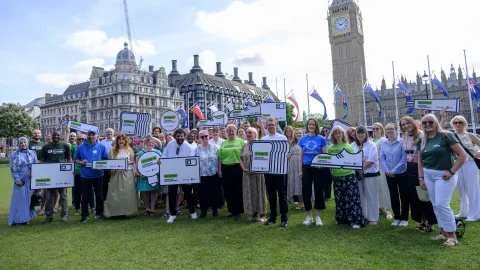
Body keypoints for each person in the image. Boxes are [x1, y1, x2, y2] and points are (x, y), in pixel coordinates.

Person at [418, 114, 466, 246]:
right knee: (435, 204)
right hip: (428, 175)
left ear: (436, 122)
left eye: (430, 122)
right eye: (424, 122)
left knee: (441, 204)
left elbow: (462, 155)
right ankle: (443, 232)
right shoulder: (422, 140)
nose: (427, 124)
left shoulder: (446, 136)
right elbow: (420, 161)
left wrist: (451, 171)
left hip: (444, 174)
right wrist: (421, 178)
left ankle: (452, 236)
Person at [400, 116, 437, 232]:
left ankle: (430, 223)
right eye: (403, 125)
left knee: (424, 197)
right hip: (410, 169)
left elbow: (426, 153)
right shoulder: (405, 137)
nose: (406, 126)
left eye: (407, 123)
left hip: (421, 168)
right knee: (415, 198)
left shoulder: (422, 135)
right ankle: (423, 221)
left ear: (412, 123)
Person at [328, 126, 364, 228]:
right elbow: (330, 163)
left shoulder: (348, 146)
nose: (338, 135)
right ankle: (341, 219)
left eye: (340, 133)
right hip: (337, 176)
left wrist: (359, 170)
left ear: (343, 134)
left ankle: (355, 221)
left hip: (349, 175)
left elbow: (354, 161)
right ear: (333, 136)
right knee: (340, 199)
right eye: (336, 133)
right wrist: (332, 173)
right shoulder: (330, 148)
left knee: (351, 198)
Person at [162, 129, 197, 223]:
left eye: (181, 136)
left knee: (188, 194)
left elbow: (191, 161)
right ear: (175, 136)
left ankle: (192, 212)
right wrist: (160, 160)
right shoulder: (170, 145)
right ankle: (172, 215)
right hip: (172, 174)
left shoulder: (188, 147)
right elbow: (164, 156)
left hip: (185, 174)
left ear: (184, 136)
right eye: (178, 136)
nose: (180, 138)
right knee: (172, 194)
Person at [298, 119, 328, 226]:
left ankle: (318, 217)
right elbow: (301, 156)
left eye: (313, 124)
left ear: (316, 126)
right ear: (307, 126)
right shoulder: (302, 139)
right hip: (306, 167)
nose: (311, 126)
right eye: (310, 124)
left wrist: (322, 165)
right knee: (306, 191)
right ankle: (309, 216)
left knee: (319, 191)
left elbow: (325, 155)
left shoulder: (321, 139)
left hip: (319, 168)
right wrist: (300, 170)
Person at [74, 129, 109, 222]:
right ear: (87, 135)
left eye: (93, 135)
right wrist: (81, 162)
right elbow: (76, 159)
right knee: (85, 196)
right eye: (89, 135)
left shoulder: (101, 146)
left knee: (100, 196)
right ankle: (85, 215)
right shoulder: (81, 147)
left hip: (98, 174)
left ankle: (99, 213)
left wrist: (101, 166)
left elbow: (106, 160)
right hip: (85, 175)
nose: (91, 137)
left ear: (97, 135)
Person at [450, 115, 480, 221]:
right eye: (455, 122)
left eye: (460, 122)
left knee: (472, 189)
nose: (458, 124)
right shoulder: (451, 136)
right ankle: (464, 212)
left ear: (464, 124)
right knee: (461, 189)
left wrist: (478, 152)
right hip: (457, 165)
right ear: (452, 124)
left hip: (470, 164)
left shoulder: (470, 135)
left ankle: (475, 214)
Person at [380, 123, 409, 227]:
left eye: (391, 129)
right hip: (389, 174)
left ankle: (404, 218)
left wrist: (394, 170)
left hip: (401, 173)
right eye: (387, 129)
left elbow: (404, 158)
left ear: (396, 130)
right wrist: (387, 170)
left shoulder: (402, 142)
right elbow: (382, 157)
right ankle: (397, 217)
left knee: (404, 196)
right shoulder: (384, 143)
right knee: (393, 196)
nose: (390, 131)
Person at [262, 118, 289, 228]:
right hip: (268, 171)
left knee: (282, 195)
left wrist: (288, 155)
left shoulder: (282, 137)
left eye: (272, 124)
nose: (271, 126)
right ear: (266, 126)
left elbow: (287, 152)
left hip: (280, 171)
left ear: (276, 125)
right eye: (269, 125)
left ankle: (284, 219)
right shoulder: (264, 139)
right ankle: (272, 218)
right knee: (271, 196)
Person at [40, 131, 71, 224]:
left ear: (60, 136)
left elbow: (69, 158)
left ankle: (64, 215)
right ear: (51, 137)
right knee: (49, 196)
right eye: (54, 135)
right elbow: (42, 160)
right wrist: (39, 171)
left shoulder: (65, 146)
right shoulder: (46, 147)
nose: (56, 136)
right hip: (50, 175)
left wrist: (70, 170)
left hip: (62, 174)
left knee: (64, 196)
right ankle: (49, 216)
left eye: (58, 135)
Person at [104, 133, 138, 218]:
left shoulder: (129, 150)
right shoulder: (112, 150)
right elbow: (109, 162)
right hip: (115, 173)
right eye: (119, 139)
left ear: (125, 141)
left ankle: (124, 212)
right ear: (117, 140)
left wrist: (124, 163)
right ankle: (114, 212)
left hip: (126, 173)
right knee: (114, 193)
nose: (121, 141)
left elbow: (132, 161)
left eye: (123, 139)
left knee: (125, 193)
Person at [352, 126, 380, 225]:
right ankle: (363, 215)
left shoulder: (371, 145)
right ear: (355, 134)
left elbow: (372, 159)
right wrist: (358, 169)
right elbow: (350, 159)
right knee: (360, 195)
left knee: (371, 196)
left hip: (370, 173)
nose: (360, 135)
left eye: (362, 133)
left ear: (366, 134)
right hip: (357, 174)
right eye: (358, 133)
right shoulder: (353, 145)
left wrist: (362, 168)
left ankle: (373, 218)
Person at [240, 127, 267, 222]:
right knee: (250, 192)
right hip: (247, 173)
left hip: (258, 173)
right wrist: (244, 168)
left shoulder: (260, 144)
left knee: (259, 192)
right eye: (247, 132)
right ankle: (253, 213)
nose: (248, 134)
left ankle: (262, 214)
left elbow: (264, 157)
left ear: (255, 134)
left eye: (250, 132)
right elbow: (240, 158)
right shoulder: (244, 145)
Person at [8, 137, 37, 226]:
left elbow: (36, 165)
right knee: (19, 200)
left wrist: (34, 173)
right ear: (18, 144)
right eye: (21, 142)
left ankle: (26, 218)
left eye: (25, 142)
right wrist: (17, 180)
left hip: (30, 180)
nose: (23, 144)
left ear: (27, 143)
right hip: (20, 181)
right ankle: (18, 219)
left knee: (28, 199)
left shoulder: (32, 153)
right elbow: (13, 169)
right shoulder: (13, 155)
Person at [218, 125, 245, 220]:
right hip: (226, 168)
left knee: (237, 190)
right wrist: (220, 170)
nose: (230, 132)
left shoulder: (241, 141)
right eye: (228, 131)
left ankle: (238, 211)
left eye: (232, 131)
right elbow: (220, 158)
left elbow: (244, 155)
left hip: (237, 168)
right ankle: (231, 210)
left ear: (235, 131)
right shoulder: (223, 143)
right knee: (227, 191)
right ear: (226, 132)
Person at [195, 130, 220, 218]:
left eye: (206, 136)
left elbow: (219, 159)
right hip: (202, 175)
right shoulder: (197, 149)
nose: (205, 138)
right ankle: (203, 211)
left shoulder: (215, 147)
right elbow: (195, 162)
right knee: (203, 194)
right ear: (199, 138)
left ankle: (215, 210)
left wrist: (219, 171)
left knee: (214, 193)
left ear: (209, 136)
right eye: (202, 137)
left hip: (213, 173)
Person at [135, 137, 161, 216]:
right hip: (143, 176)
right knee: (144, 192)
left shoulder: (158, 152)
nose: (151, 144)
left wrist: (155, 172)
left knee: (154, 192)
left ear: (155, 144)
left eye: (153, 142)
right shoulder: (140, 153)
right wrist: (140, 173)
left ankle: (152, 208)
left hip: (154, 175)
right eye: (149, 142)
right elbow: (137, 164)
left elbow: (161, 163)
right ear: (146, 143)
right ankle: (147, 208)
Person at [371, 122, 392, 220]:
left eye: (377, 128)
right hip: (373, 167)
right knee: (376, 188)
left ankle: (388, 209)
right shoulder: (372, 140)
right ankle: (380, 207)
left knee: (384, 187)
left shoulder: (383, 140)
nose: (375, 130)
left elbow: (385, 154)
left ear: (381, 129)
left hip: (381, 167)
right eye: (373, 129)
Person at [72, 134, 95, 215]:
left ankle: (92, 207)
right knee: (77, 191)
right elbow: (73, 160)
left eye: (82, 139)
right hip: (77, 172)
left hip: (88, 172)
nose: (81, 140)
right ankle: (77, 209)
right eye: (79, 139)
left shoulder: (89, 147)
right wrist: (73, 169)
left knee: (90, 191)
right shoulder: (75, 147)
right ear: (76, 140)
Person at [285, 127, 304, 207]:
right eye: (297, 133)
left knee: (302, 183)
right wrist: (288, 155)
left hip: (302, 164)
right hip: (292, 165)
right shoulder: (292, 143)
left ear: (303, 134)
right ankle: (301, 202)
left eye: (300, 133)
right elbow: (288, 153)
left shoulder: (305, 142)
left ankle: (306, 201)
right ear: (294, 135)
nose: (298, 134)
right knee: (296, 183)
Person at [28, 130, 46, 215]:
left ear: (41, 134)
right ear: (32, 134)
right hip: (31, 169)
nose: (37, 134)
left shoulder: (43, 144)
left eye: (38, 133)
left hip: (41, 168)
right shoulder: (29, 144)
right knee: (31, 188)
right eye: (35, 133)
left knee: (40, 187)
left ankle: (40, 204)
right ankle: (31, 205)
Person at [101, 128, 115, 200]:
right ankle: (104, 197)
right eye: (108, 133)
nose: (109, 134)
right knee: (105, 182)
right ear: (106, 134)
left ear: (113, 133)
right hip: (105, 163)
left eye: (111, 133)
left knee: (114, 181)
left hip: (115, 163)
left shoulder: (116, 141)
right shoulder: (102, 142)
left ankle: (113, 197)